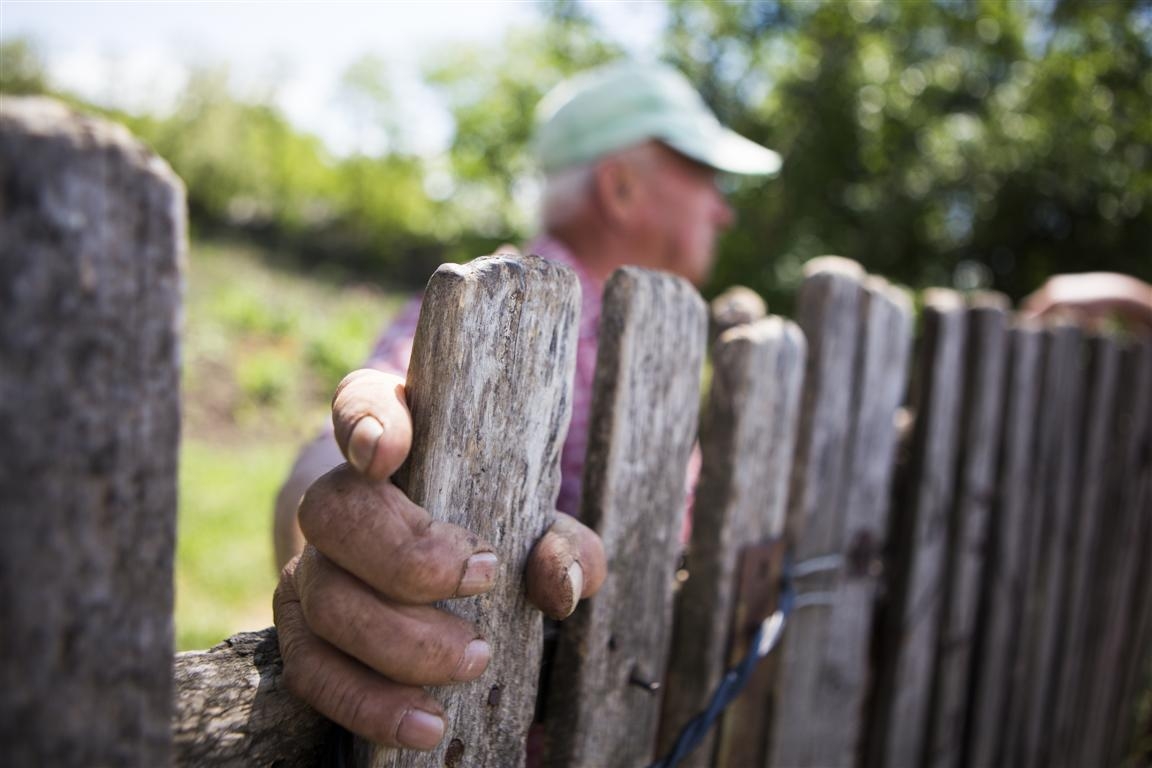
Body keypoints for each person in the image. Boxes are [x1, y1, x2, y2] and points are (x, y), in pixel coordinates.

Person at [271, 60, 783, 751]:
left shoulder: (643, 338)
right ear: (622, 187)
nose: (724, 207)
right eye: (703, 174)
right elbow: (342, 443)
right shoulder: (494, 306)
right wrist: (331, 514)